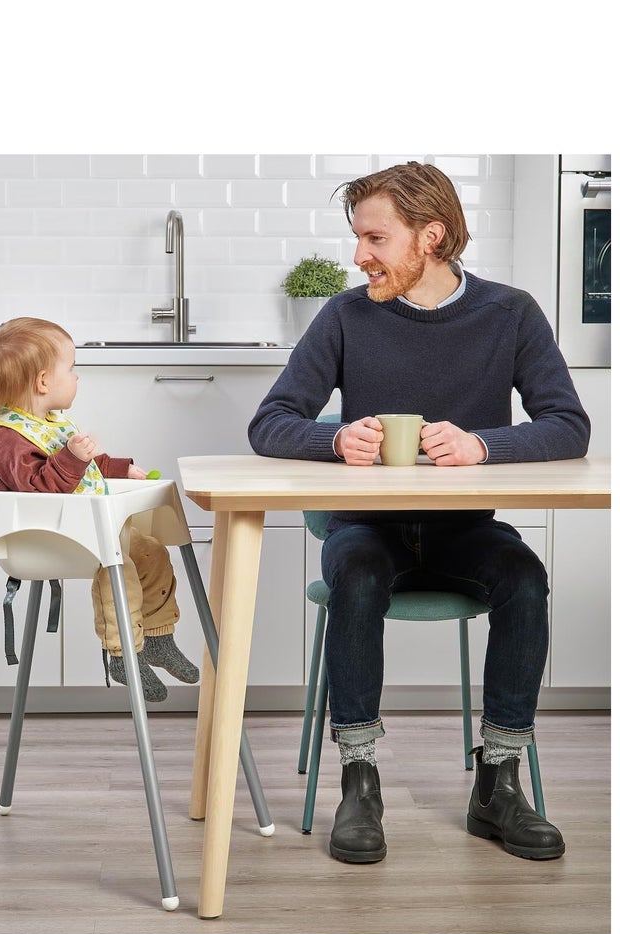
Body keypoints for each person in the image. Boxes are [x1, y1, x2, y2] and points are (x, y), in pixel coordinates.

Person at [249, 161, 590, 864]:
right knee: (359, 574)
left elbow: (568, 424)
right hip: (365, 529)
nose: (359, 255)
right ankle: (359, 779)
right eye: (358, 238)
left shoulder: (510, 312)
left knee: (524, 579)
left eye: (375, 238)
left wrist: (481, 446)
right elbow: (271, 421)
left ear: (429, 236)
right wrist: (335, 438)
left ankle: (498, 781)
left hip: (466, 530)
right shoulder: (345, 315)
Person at [0, 316, 199, 702]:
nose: (77, 377)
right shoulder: (7, 437)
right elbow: (39, 488)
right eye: (72, 368)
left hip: (83, 528)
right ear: (44, 381)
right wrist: (73, 457)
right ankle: (123, 653)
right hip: (46, 536)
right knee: (121, 566)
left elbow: (83, 469)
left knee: (151, 551)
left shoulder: (46, 423)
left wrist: (120, 468)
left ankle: (159, 638)